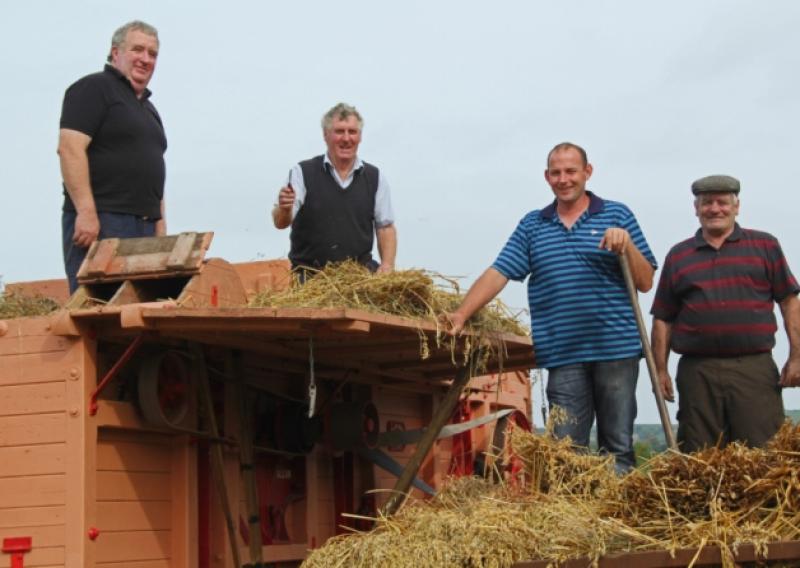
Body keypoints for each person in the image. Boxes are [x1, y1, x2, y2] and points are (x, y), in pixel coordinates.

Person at [447, 142, 656, 472]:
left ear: (587, 172)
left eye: (571, 171)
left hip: (616, 350)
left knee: (617, 449)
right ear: (546, 177)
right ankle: (572, 507)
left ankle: (617, 506)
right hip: (563, 354)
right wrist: (461, 314)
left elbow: (644, 282)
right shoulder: (534, 225)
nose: (564, 179)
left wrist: (626, 245)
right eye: (556, 173)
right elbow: (499, 272)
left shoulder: (617, 215)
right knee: (563, 453)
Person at [650, 175, 800, 452]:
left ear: (736, 206)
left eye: (722, 202)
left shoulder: (765, 246)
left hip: (753, 368)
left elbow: (789, 302)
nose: (715, 209)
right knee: (699, 456)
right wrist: (660, 370)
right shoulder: (679, 256)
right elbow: (663, 318)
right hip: (698, 372)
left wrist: (797, 356)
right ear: (696, 209)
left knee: (763, 454)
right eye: (707, 203)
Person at [58, 20, 167, 293]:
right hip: (104, 222)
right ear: (115, 53)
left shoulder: (150, 111)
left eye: (152, 54)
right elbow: (70, 148)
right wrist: (86, 212)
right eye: (137, 50)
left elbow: (153, 171)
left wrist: (160, 228)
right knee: (99, 305)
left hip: (144, 226)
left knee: (142, 306)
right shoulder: (94, 88)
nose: (145, 59)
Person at [272, 103, 396, 274]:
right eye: (339, 131)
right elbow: (280, 222)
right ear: (325, 134)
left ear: (360, 136)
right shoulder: (302, 173)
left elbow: (385, 227)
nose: (346, 138)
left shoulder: (375, 177)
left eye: (352, 132)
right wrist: (284, 209)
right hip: (311, 276)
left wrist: (387, 265)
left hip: (360, 275)